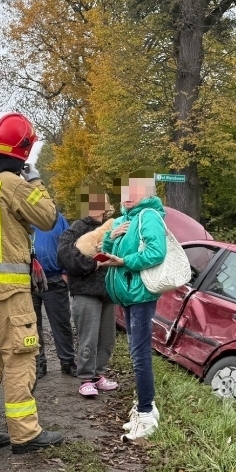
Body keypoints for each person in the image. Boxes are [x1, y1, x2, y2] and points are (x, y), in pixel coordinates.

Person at [0, 112, 63, 454]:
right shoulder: (14, 184)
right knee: (21, 357)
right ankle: (25, 434)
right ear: (23, 150)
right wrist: (35, 181)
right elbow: (48, 217)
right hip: (8, 292)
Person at [99, 176, 167, 441]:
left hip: (140, 293)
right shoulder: (121, 220)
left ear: (147, 194)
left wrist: (124, 261)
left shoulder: (148, 215)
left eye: (135, 191)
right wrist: (110, 237)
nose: (128, 195)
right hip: (126, 294)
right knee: (134, 352)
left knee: (140, 356)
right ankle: (144, 408)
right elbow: (106, 251)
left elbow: (156, 253)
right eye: (125, 191)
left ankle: (146, 413)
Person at [57, 187, 118, 398]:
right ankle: (85, 378)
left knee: (107, 338)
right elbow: (65, 255)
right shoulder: (77, 228)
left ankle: (98, 375)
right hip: (85, 291)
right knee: (88, 337)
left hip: (109, 291)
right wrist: (94, 265)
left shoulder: (115, 226)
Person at [31, 211, 77, 379]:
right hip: (28, 281)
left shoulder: (57, 218)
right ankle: (38, 364)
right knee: (31, 327)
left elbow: (68, 245)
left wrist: (65, 272)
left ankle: (67, 362)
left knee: (62, 324)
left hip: (54, 279)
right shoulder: (22, 216)